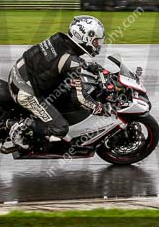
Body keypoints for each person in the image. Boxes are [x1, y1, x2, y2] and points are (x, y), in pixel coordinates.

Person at [8, 15, 110, 148]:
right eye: (96, 41)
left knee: (63, 91)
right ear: (85, 38)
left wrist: (90, 66)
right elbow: (80, 98)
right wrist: (99, 107)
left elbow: (61, 59)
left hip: (19, 74)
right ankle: (21, 127)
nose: (98, 45)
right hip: (25, 91)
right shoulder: (71, 62)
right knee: (60, 128)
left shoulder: (59, 39)